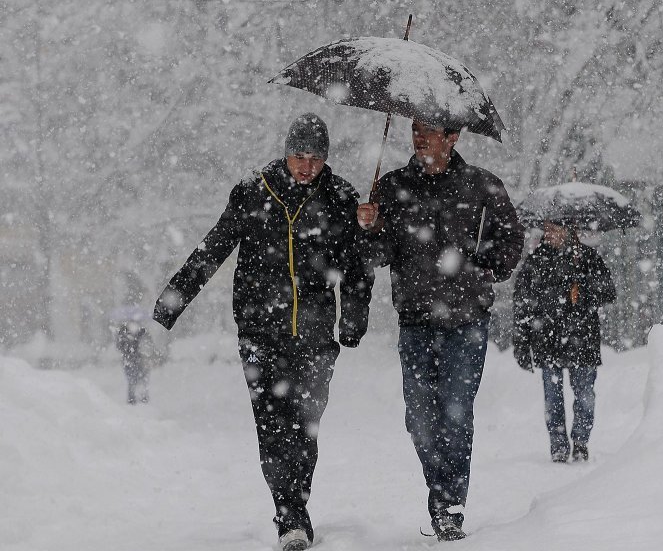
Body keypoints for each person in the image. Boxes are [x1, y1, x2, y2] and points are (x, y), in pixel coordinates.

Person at [153, 114, 373, 551]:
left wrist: (353, 317)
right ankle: (289, 517)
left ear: (326, 158)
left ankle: (298, 500)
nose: (306, 166)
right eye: (298, 156)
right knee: (272, 427)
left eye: (315, 157)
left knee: (305, 428)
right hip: (260, 331)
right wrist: (173, 298)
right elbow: (215, 245)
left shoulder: (342, 197)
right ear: (285, 152)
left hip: (314, 335)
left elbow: (358, 265)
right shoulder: (255, 190)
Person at [357, 119, 524, 541]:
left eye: (430, 130)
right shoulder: (393, 186)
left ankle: (448, 505)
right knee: (419, 418)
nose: (420, 137)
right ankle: (441, 488)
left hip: (466, 321)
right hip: (414, 321)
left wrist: (479, 264)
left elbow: (511, 243)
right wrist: (370, 227)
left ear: (453, 137)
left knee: (455, 412)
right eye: (416, 129)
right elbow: (377, 255)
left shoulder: (482, 185)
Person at [512, 221, 616, 463]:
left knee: (584, 395)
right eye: (547, 230)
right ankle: (558, 445)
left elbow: (608, 292)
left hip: (583, 339)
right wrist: (521, 342)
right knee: (553, 397)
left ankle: (580, 441)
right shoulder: (536, 262)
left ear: (569, 231)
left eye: (556, 229)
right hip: (548, 340)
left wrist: (585, 289)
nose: (551, 235)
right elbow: (523, 304)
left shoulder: (587, 258)